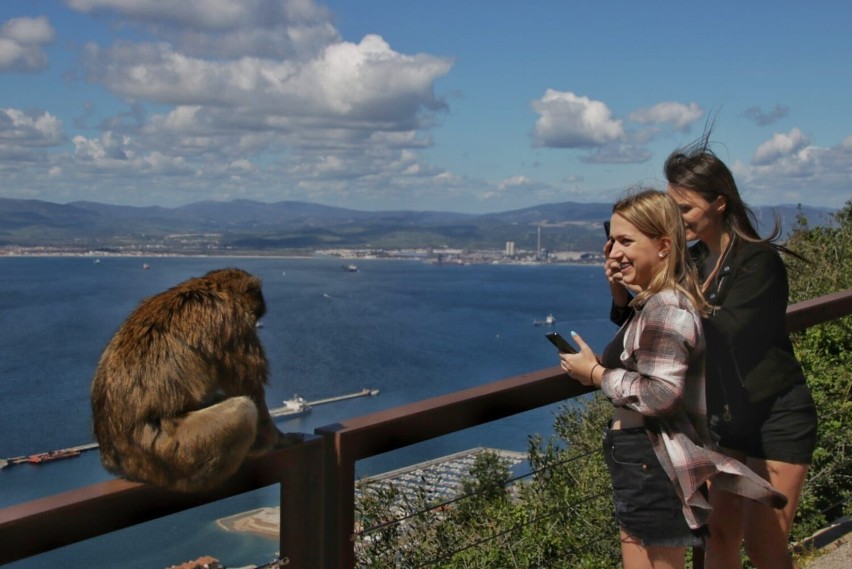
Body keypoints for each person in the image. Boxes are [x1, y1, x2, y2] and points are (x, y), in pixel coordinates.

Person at [560, 189, 787, 569]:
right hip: (641, 458)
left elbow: (661, 393)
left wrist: (596, 373)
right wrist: (622, 289)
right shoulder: (656, 301)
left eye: (626, 240)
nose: (613, 251)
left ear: (664, 245)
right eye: (611, 240)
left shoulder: (666, 307)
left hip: (653, 460)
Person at [662, 138, 817, 569]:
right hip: (728, 421)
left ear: (718, 203)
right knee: (720, 538)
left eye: (685, 209)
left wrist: (675, 302)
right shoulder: (692, 262)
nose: (678, 220)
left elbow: (723, 331)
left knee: (765, 545)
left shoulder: (758, 263)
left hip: (776, 418)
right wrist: (625, 286)